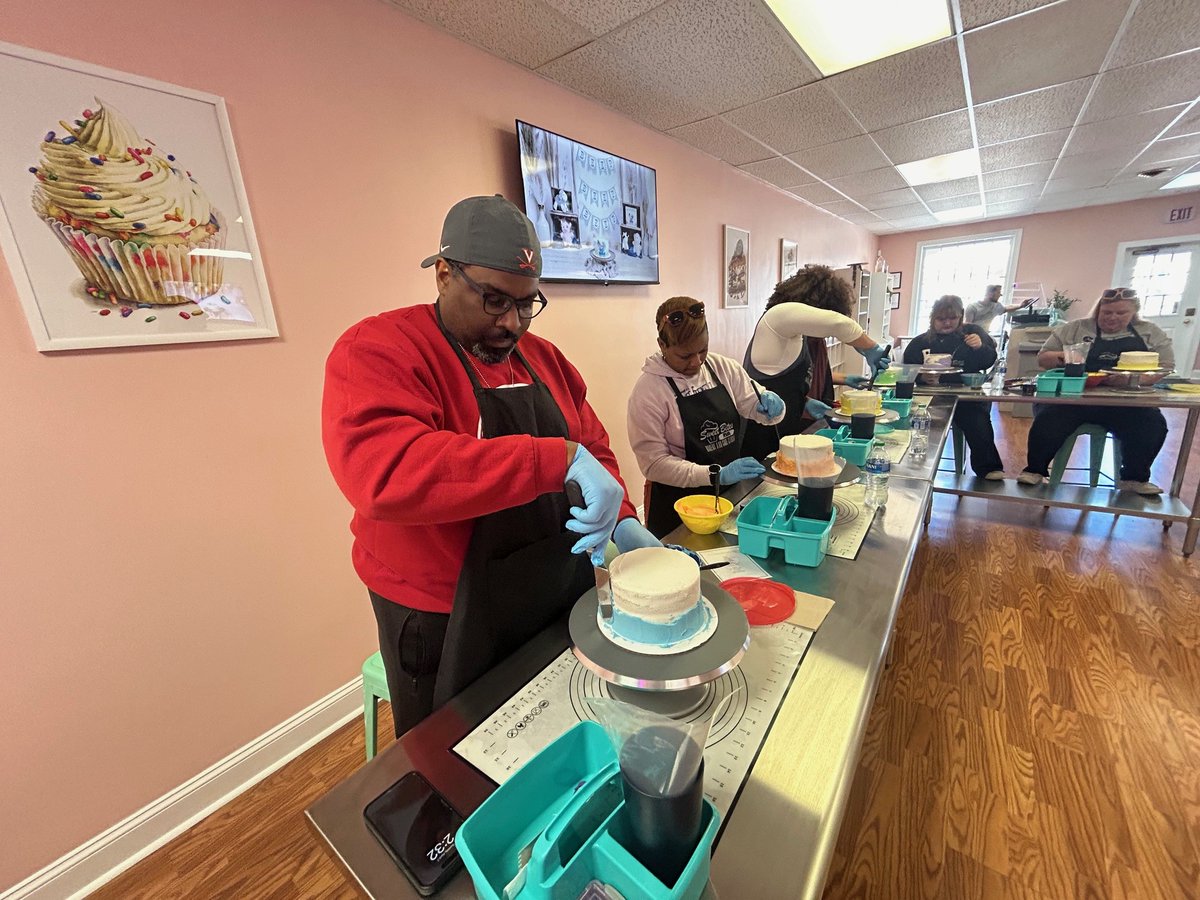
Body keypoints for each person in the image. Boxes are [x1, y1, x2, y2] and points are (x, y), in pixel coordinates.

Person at [322, 195, 673, 735]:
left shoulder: (546, 359)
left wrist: (624, 519)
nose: (511, 323)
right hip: (444, 608)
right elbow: (387, 472)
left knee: (549, 730)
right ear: (443, 275)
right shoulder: (381, 350)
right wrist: (555, 459)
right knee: (449, 761)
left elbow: (592, 443)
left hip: (550, 585)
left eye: (527, 303)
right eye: (492, 300)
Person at [627, 296, 786, 537]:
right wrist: (715, 474)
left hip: (730, 495)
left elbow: (757, 407)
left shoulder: (723, 368)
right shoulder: (649, 392)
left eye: (702, 350)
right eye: (685, 356)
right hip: (680, 506)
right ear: (662, 345)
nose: (696, 362)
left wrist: (774, 406)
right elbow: (654, 464)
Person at [1017, 288, 1174, 494]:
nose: (1112, 318)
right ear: (1098, 310)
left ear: (1133, 313)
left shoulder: (1150, 332)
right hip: (1075, 396)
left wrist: (1136, 378)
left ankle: (1134, 479)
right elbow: (1043, 358)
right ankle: (1035, 470)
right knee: (1049, 417)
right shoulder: (1075, 329)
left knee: (1151, 423)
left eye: (1121, 313)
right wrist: (1070, 356)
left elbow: (1166, 364)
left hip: (1125, 400)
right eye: (1106, 312)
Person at [741, 264, 891, 461]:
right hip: (762, 440)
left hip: (786, 433)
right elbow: (839, 324)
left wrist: (804, 401)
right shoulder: (777, 319)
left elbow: (782, 384)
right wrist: (871, 348)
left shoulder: (795, 338)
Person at [903, 295, 1006, 480]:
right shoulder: (920, 342)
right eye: (941, 319)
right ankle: (913, 468)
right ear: (932, 319)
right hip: (929, 398)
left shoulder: (972, 334)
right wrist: (921, 377)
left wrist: (980, 347)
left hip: (965, 397)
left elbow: (989, 360)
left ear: (961, 317)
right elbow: (906, 370)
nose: (947, 323)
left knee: (977, 421)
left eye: (952, 318)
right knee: (911, 421)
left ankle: (988, 468)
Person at [964, 283, 1033, 333]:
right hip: (973, 336)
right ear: (990, 294)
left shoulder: (996, 306)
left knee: (994, 344)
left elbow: (1005, 308)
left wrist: (1021, 305)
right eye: (998, 292)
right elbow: (967, 326)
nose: (1000, 295)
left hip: (985, 335)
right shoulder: (972, 307)